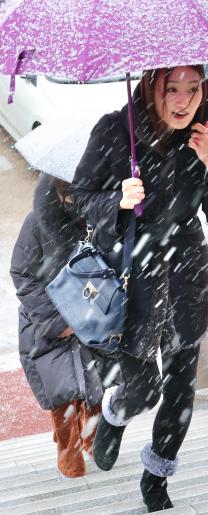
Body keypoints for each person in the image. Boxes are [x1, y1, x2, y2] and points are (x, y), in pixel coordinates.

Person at [71, 65, 208, 511]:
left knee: (181, 388)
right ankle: (114, 414)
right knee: (144, 388)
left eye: (193, 88)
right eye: (172, 89)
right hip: (136, 275)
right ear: (151, 87)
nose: (184, 100)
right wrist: (117, 201)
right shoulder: (115, 130)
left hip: (185, 273)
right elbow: (83, 197)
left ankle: (157, 480)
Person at [10, 173, 118, 479]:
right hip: (49, 322)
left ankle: (93, 440)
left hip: (93, 315)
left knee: (100, 384)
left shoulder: (98, 217)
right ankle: (69, 452)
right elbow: (22, 273)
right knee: (65, 390)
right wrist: (59, 322)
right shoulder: (38, 223)